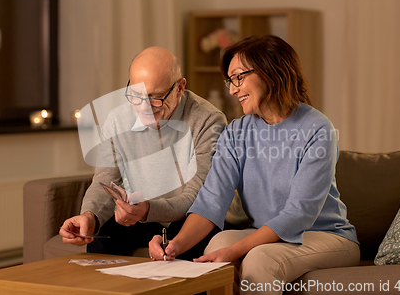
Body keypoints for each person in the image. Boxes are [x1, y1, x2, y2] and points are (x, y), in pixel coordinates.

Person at [149, 36, 360, 294]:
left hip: (326, 236)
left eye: (238, 78)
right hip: (269, 235)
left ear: (270, 71)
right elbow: (211, 201)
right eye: (230, 81)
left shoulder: (318, 129)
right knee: (218, 243)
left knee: (261, 259)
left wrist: (236, 250)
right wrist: (173, 245)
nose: (232, 90)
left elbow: (299, 214)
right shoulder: (236, 132)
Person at [60, 46, 227, 260]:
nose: (145, 108)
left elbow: (198, 197)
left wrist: (148, 209)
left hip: (189, 219)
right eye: (137, 96)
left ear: (180, 87)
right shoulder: (117, 119)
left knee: (193, 243)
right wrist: (89, 216)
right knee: (102, 237)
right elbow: (104, 180)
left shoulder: (209, 121)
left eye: (156, 97)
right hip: (141, 218)